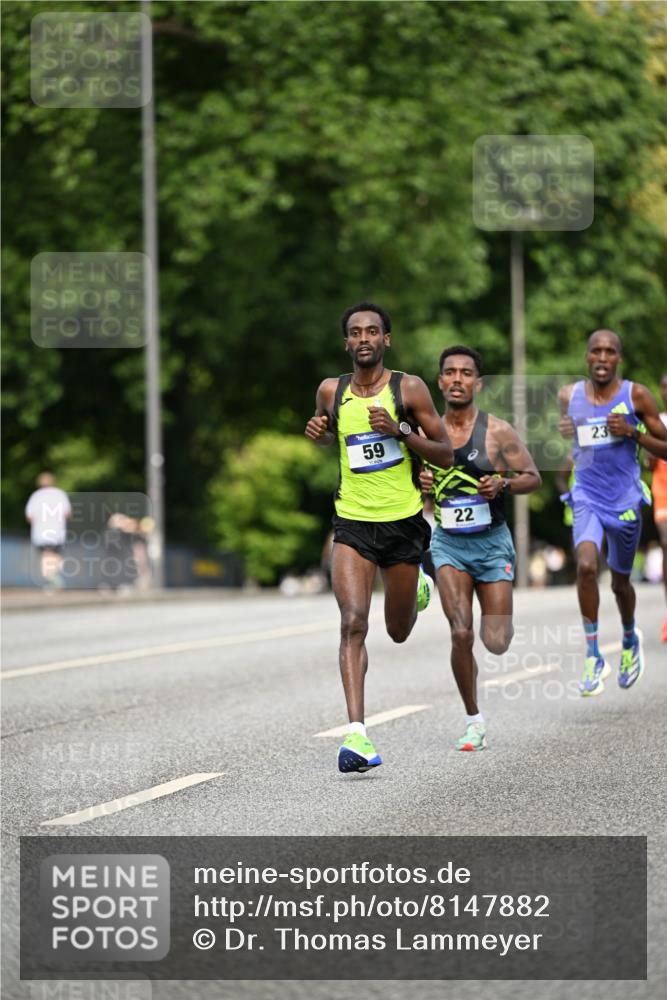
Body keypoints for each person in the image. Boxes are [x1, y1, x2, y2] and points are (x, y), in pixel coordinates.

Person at [305, 302, 453, 773]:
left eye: (372, 331)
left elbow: (446, 454)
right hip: (351, 522)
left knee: (398, 630)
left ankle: (419, 589)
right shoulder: (332, 391)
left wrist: (401, 430)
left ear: (386, 339)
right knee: (353, 622)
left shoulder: (408, 388)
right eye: (355, 332)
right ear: (346, 342)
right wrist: (319, 433)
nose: (363, 338)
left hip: (404, 522)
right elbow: (331, 435)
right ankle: (357, 736)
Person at [419, 346, 541, 752]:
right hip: (448, 544)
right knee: (460, 632)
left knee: (496, 641)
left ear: (478, 383)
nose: (457, 379)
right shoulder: (424, 432)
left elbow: (533, 477)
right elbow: (404, 477)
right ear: (439, 381)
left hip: (491, 545)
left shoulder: (498, 431)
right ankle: (474, 720)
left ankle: (498, 616)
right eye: (450, 372)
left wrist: (502, 484)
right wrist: (419, 486)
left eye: (465, 373)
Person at [558, 331, 667, 695]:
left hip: (624, 501)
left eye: (610, 352)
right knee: (586, 566)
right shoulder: (568, 396)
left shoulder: (636, 395)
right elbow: (576, 443)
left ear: (619, 358)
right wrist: (568, 434)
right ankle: (592, 654)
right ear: (587, 356)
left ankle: (628, 636)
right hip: (586, 494)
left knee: (620, 583)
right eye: (596, 351)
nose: (602, 357)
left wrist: (634, 433)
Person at [646, 372, 667, 641]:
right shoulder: (657, 421)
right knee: (665, 544)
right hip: (663, 490)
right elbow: (649, 461)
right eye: (664, 387)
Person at [25, 471, 71, 590]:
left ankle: (53, 578)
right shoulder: (60, 494)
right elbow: (67, 513)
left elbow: (29, 516)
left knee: (46, 555)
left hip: (41, 532)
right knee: (54, 554)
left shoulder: (36, 496)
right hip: (58, 531)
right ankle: (55, 575)